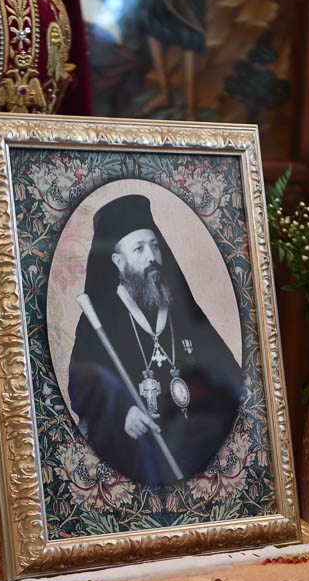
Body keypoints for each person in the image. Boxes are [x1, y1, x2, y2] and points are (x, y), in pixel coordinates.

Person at [68, 193, 242, 485]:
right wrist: (123, 413)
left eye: (154, 246)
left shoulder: (179, 307)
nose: (151, 257)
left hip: (193, 443)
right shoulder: (98, 319)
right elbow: (81, 386)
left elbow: (224, 368)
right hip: (136, 453)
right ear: (118, 261)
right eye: (139, 249)